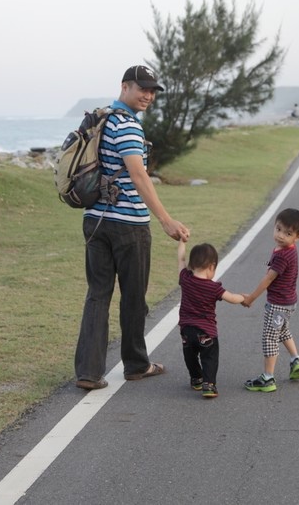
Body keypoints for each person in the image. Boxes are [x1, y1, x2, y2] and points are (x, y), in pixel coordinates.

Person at [75, 65, 190, 390]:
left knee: (98, 295)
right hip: (128, 226)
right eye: (143, 88)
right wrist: (166, 220)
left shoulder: (102, 119)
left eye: (152, 91)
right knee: (134, 297)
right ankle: (137, 365)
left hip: (95, 221)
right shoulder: (127, 125)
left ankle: (88, 372)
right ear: (125, 86)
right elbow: (138, 175)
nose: (148, 96)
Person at [243, 208, 299, 393]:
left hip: (278, 304)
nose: (281, 235)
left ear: (297, 237)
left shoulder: (282, 255)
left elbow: (268, 279)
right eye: (278, 229)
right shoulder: (288, 249)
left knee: (270, 338)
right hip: (289, 302)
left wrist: (251, 297)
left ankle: (268, 378)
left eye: (288, 233)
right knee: (282, 330)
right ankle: (296, 359)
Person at [177, 240, 245, 398]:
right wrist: (243, 297)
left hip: (186, 330)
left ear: (191, 265)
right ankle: (208, 384)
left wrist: (182, 242)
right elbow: (232, 298)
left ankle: (196, 378)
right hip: (206, 332)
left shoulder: (185, 278)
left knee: (190, 355)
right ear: (211, 266)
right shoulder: (213, 287)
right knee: (209, 357)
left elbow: (180, 259)